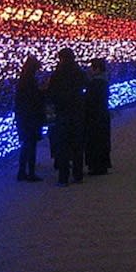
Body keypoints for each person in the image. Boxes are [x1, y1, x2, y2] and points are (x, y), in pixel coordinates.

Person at [48, 47, 88, 186]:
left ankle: (63, 178)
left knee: (63, 146)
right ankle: (78, 175)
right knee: (77, 145)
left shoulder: (57, 75)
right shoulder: (79, 72)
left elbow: (51, 94)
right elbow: (85, 86)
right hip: (77, 113)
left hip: (63, 114)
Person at [14, 55, 46, 182]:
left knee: (27, 144)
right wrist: (42, 91)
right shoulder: (30, 81)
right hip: (31, 117)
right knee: (31, 144)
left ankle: (22, 172)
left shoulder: (23, 79)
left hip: (23, 116)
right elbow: (34, 98)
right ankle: (30, 173)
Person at [85, 58, 111, 175]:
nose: (89, 70)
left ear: (97, 69)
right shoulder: (104, 81)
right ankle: (102, 165)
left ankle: (97, 166)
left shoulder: (95, 83)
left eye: (91, 67)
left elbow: (90, 100)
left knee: (95, 140)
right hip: (102, 115)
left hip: (95, 116)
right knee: (103, 140)